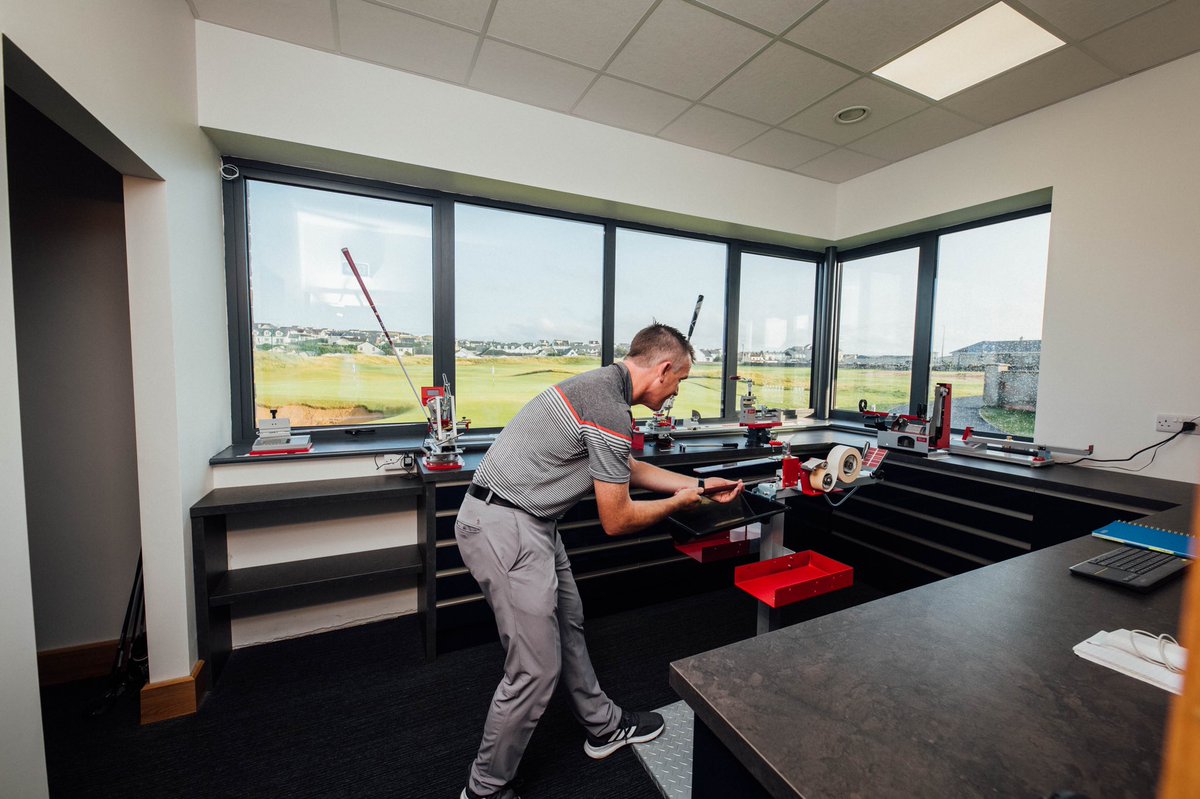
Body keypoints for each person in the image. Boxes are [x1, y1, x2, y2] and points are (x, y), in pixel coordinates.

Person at [456, 323, 744, 799]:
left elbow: (625, 467)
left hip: (534, 522)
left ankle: (604, 727)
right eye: (681, 381)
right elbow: (618, 519)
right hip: (503, 527)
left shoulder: (602, 389)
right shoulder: (608, 405)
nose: (676, 391)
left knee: (569, 625)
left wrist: (694, 485)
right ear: (664, 369)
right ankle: (485, 788)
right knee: (534, 668)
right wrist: (681, 504)